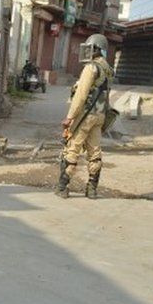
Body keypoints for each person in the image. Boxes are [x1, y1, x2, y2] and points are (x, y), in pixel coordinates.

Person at [55, 33, 113, 199]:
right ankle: (92, 189)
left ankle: (62, 187)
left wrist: (70, 116)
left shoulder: (91, 68)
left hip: (85, 115)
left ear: (95, 49)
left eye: (89, 48)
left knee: (72, 149)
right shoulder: (108, 69)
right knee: (94, 152)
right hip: (99, 116)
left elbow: (81, 95)